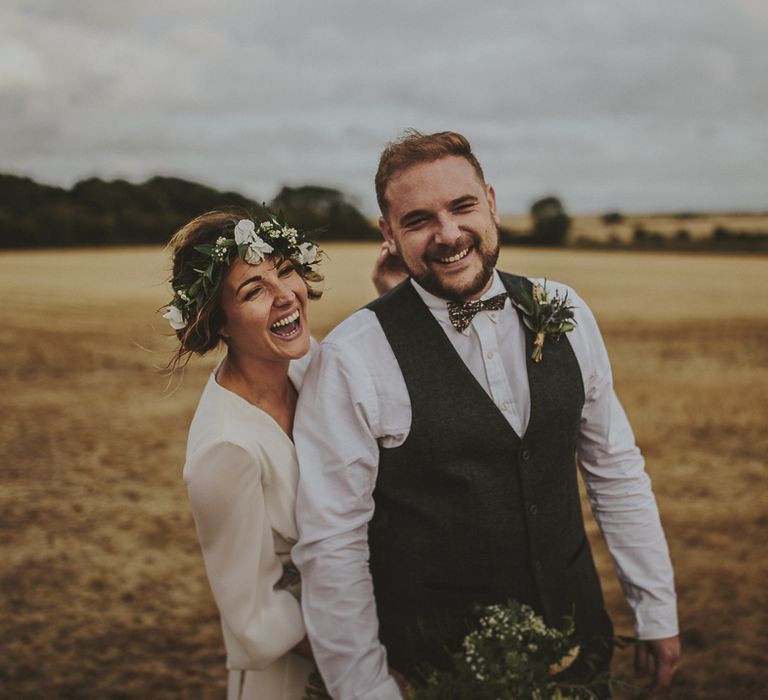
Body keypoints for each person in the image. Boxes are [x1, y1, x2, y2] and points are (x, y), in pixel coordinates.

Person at [292, 131, 682, 699]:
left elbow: (615, 468)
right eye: (419, 219)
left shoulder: (564, 309)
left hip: (580, 649)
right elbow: (332, 542)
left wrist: (657, 608)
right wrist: (364, 687)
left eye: (462, 206)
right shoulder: (353, 358)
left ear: (492, 203)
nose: (448, 234)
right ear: (389, 235)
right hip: (438, 672)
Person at [164, 209, 400, 700]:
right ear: (219, 322)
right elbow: (254, 617)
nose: (285, 295)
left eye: (285, 269)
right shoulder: (224, 450)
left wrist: (395, 297)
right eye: (253, 290)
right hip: (304, 674)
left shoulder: (304, 363)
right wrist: (364, 663)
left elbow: (367, 379)